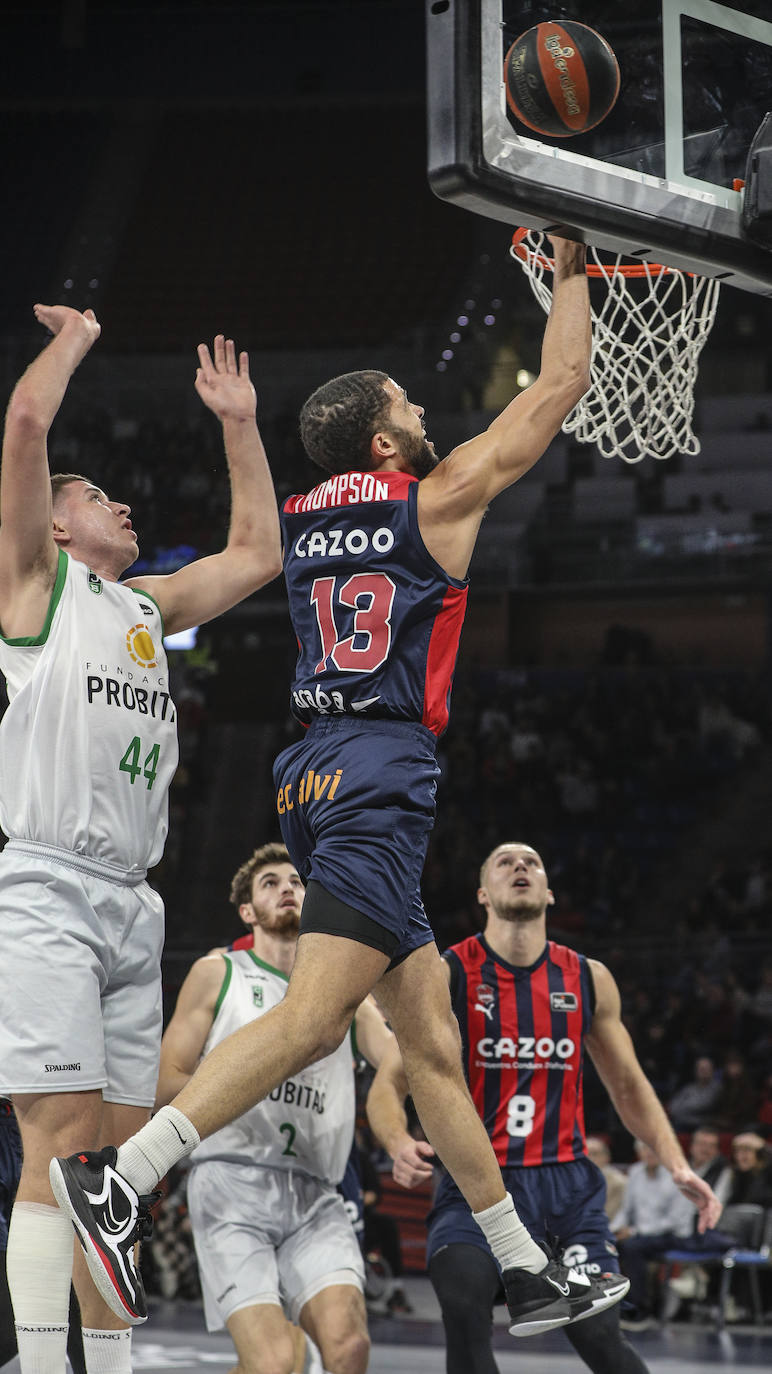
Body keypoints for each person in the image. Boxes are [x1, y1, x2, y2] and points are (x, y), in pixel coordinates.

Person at [53, 237, 629, 1338]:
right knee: (319, 1021)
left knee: (429, 1047)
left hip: (311, 766)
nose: (426, 417)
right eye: (411, 407)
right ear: (384, 435)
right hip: (378, 769)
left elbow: (250, 546)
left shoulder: (314, 518)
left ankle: (523, 1266)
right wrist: (571, 269)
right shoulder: (438, 494)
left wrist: (239, 429)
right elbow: (559, 384)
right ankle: (124, 1175)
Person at [0, 305, 282, 1374]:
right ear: (57, 527)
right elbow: (27, 422)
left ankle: (108, 1369)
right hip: (48, 885)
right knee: (55, 1144)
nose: (116, 501)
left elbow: (257, 550)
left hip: (132, 897)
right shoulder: (34, 590)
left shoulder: (145, 609)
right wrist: (76, 337)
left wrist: (240, 425)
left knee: (109, 1169)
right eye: (92, 496)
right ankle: (38, 1362)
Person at [365, 842, 723, 1373]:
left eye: (531, 862)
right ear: (483, 894)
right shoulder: (450, 974)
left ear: (549, 892)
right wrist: (397, 1142)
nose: (520, 867)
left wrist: (676, 1162)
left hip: (567, 1193)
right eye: (505, 862)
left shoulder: (587, 977)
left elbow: (629, 1085)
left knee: (600, 1338)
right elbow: (388, 1084)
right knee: (463, 1313)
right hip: (477, 1188)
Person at [156, 842, 395, 1374]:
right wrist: (238, 1089)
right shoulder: (219, 972)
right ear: (247, 912)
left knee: (349, 1348)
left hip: (316, 1192)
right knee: (273, 1363)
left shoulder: (344, 994)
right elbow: (166, 1079)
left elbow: (394, 1058)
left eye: (297, 881)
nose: (288, 888)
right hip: (232, 1184)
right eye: (271, 883)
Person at [585, 1137, 627, 1222]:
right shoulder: (573, 1180)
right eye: (586, 1154)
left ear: (606, 1157)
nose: (590, 1158)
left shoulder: (618, 1182)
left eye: (595, 1154)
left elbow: (609, 1215)